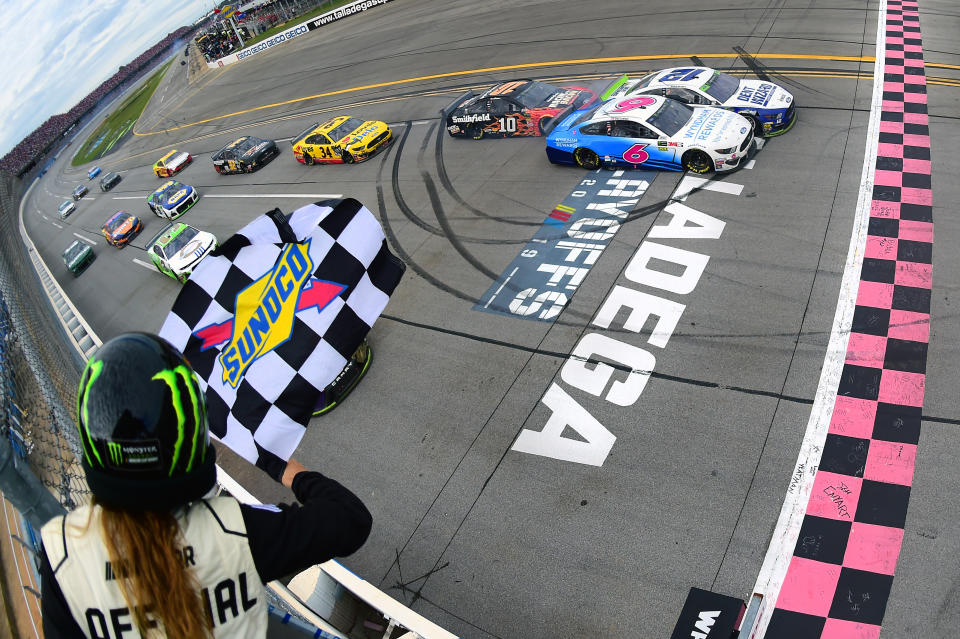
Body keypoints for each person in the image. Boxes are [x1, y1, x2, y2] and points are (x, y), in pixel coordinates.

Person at [39, 332, 372, 638]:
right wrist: (292, 473)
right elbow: (351, 519)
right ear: (190, 431)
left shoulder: (62, 558)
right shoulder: (231, 534)